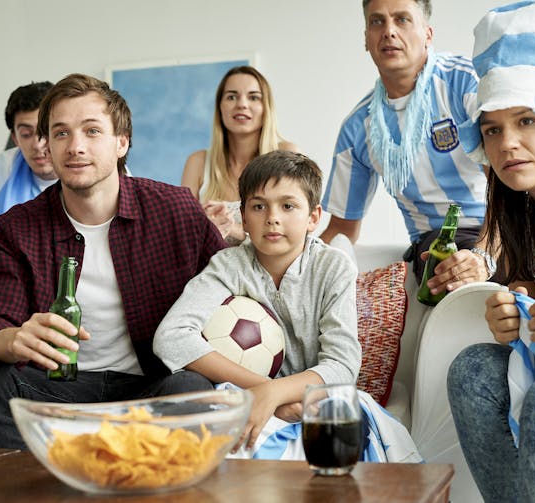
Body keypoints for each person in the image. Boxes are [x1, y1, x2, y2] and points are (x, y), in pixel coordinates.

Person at [0, 73, 226, 449]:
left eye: (91, 131)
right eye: (61, 133)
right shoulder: (16, 227)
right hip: (57, 391)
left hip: (150, 388)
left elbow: (227, 292)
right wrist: (16, 339)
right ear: (49, 147)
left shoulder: (177, 211)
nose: (75, 147)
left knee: (192, 388)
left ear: (122, 142)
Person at [155, 150, 361, 450]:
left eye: (288, 206)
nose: (272, 219)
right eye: (259, 206)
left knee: (347, 423)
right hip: (240, 397)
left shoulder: (334, 267)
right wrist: (265, 391)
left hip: (313, 404)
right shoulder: (229, 264)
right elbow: (170, 338)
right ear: (244, 217)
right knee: (185, 390)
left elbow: (342, 365)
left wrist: (278, 394)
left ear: (313, 217)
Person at [447, 2, 535, 501]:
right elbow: (524, 279)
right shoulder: (519, 210)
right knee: (471, 370)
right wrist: (516, 300)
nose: (508, 142)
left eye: (527, 119)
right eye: (492, 129)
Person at [320, 0, 494, 290]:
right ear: (366, 38)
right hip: (434, 243)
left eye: (402, 20)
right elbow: (341, 229)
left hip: (498, 226)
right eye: (377, 22)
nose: (388, 31)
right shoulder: (356, 127)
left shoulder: (464, 83)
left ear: (427, 33)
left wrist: (483, 255)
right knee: (446, 263)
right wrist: (288, 263)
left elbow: (507, 187)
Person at [181, 66, 299, 245]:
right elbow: (181, 236)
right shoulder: (197, 162)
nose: (242, 104)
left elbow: (295, 231)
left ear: (266, 107)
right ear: (220, 108)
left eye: (253, 97)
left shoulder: (287, 154)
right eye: (231, 97)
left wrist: (237, 230)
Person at [0, 81, 55, 243]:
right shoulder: (3, 167)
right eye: (25, 134)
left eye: (44, 131)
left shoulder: (85, 166)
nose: (37, 145)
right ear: (15, 138)